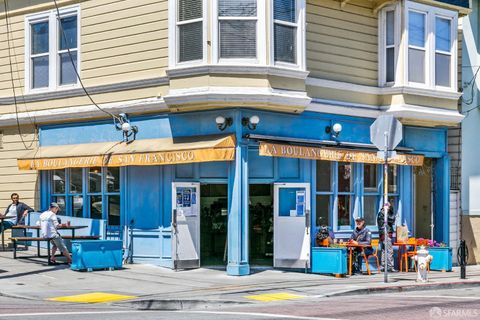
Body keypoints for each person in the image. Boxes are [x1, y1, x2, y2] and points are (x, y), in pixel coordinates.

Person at [377, 202, 396, 272]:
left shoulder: (381, 213)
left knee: (384, 250)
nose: (389, 208)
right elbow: (392, 219)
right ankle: (390, 266)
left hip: (383, 233)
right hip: (386, 233)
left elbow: (392, 220)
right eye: (389, 207)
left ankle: (383, 265)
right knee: (389, 250)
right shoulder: (384, 214)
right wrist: (389, 212)